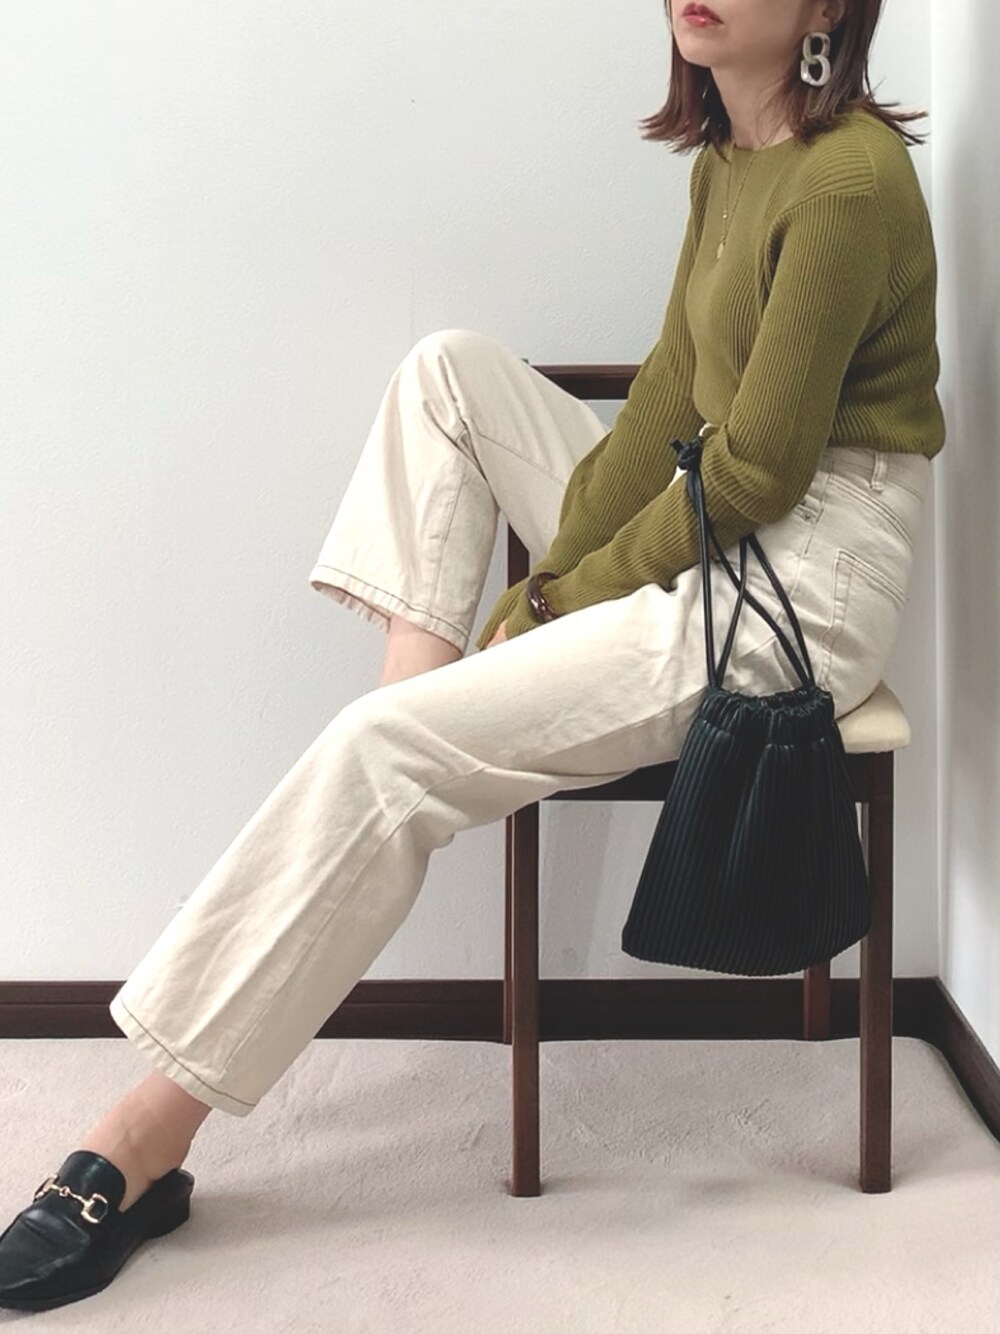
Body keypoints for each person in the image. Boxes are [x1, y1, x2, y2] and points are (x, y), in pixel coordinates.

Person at [0, 0, 945, 1311]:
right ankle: (408, 746)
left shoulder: (849, 178)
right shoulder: (729, 160)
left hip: (806, 576)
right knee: (445, 374)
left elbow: (757, 471)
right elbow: (670, 403)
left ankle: (142, 1140)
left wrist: (564, 598)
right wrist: (552, 583)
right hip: (717, 513)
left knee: (384, 752)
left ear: (829, 8)